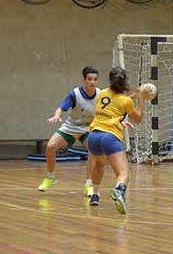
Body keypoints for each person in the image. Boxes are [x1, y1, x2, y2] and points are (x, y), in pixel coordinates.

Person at [87, 66, 144, 214]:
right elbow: (137, 119)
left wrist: (131, 97)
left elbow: (114, 104)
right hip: (110, 137)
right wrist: (141, 100)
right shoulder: (126, 101)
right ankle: (119, 190)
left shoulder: (102, 93)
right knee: (123, 174)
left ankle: (95, 194)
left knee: (99, 165)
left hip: (93, 136)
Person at [38, 66, 100, 197]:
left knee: (93, 151)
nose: (92, 82)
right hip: (71, 126)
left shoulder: (101, 95)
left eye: (95, 79)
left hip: (88, 128)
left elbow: (109, 111)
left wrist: (119, 120)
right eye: (89, 79)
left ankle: (89, 183)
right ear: (84, 80)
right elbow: (61, 108)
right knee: (50, 146)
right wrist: (56, 116)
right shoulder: (75, 94)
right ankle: (50, 177)